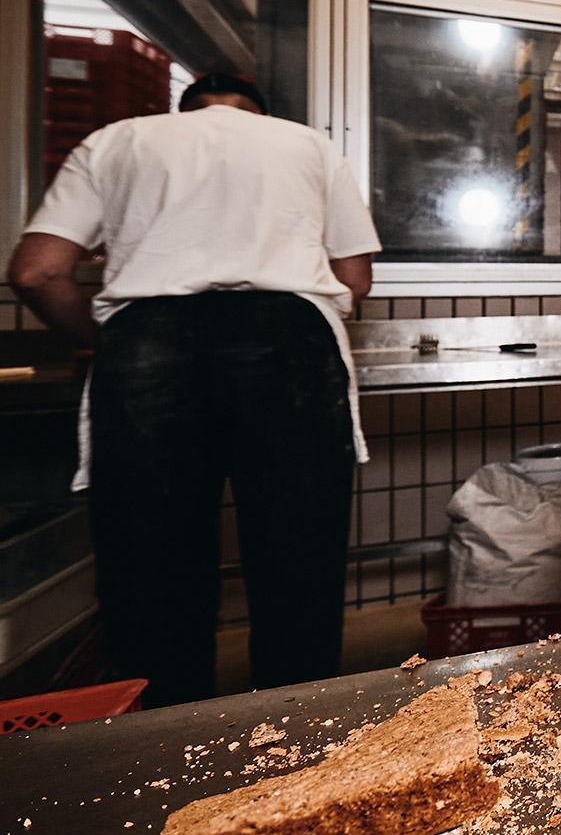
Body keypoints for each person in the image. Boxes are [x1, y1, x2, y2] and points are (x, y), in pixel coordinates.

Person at [6, 72, 382, 706]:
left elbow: (36, 271)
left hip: (148, 340)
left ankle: (162, 740)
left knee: (151, 568)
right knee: (298, 560)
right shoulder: (306, 143)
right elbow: (355, 278)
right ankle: (298, 733)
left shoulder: (119, 139)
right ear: (258, 113)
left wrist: (104, 340)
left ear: (184, 109)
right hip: (288, 340)